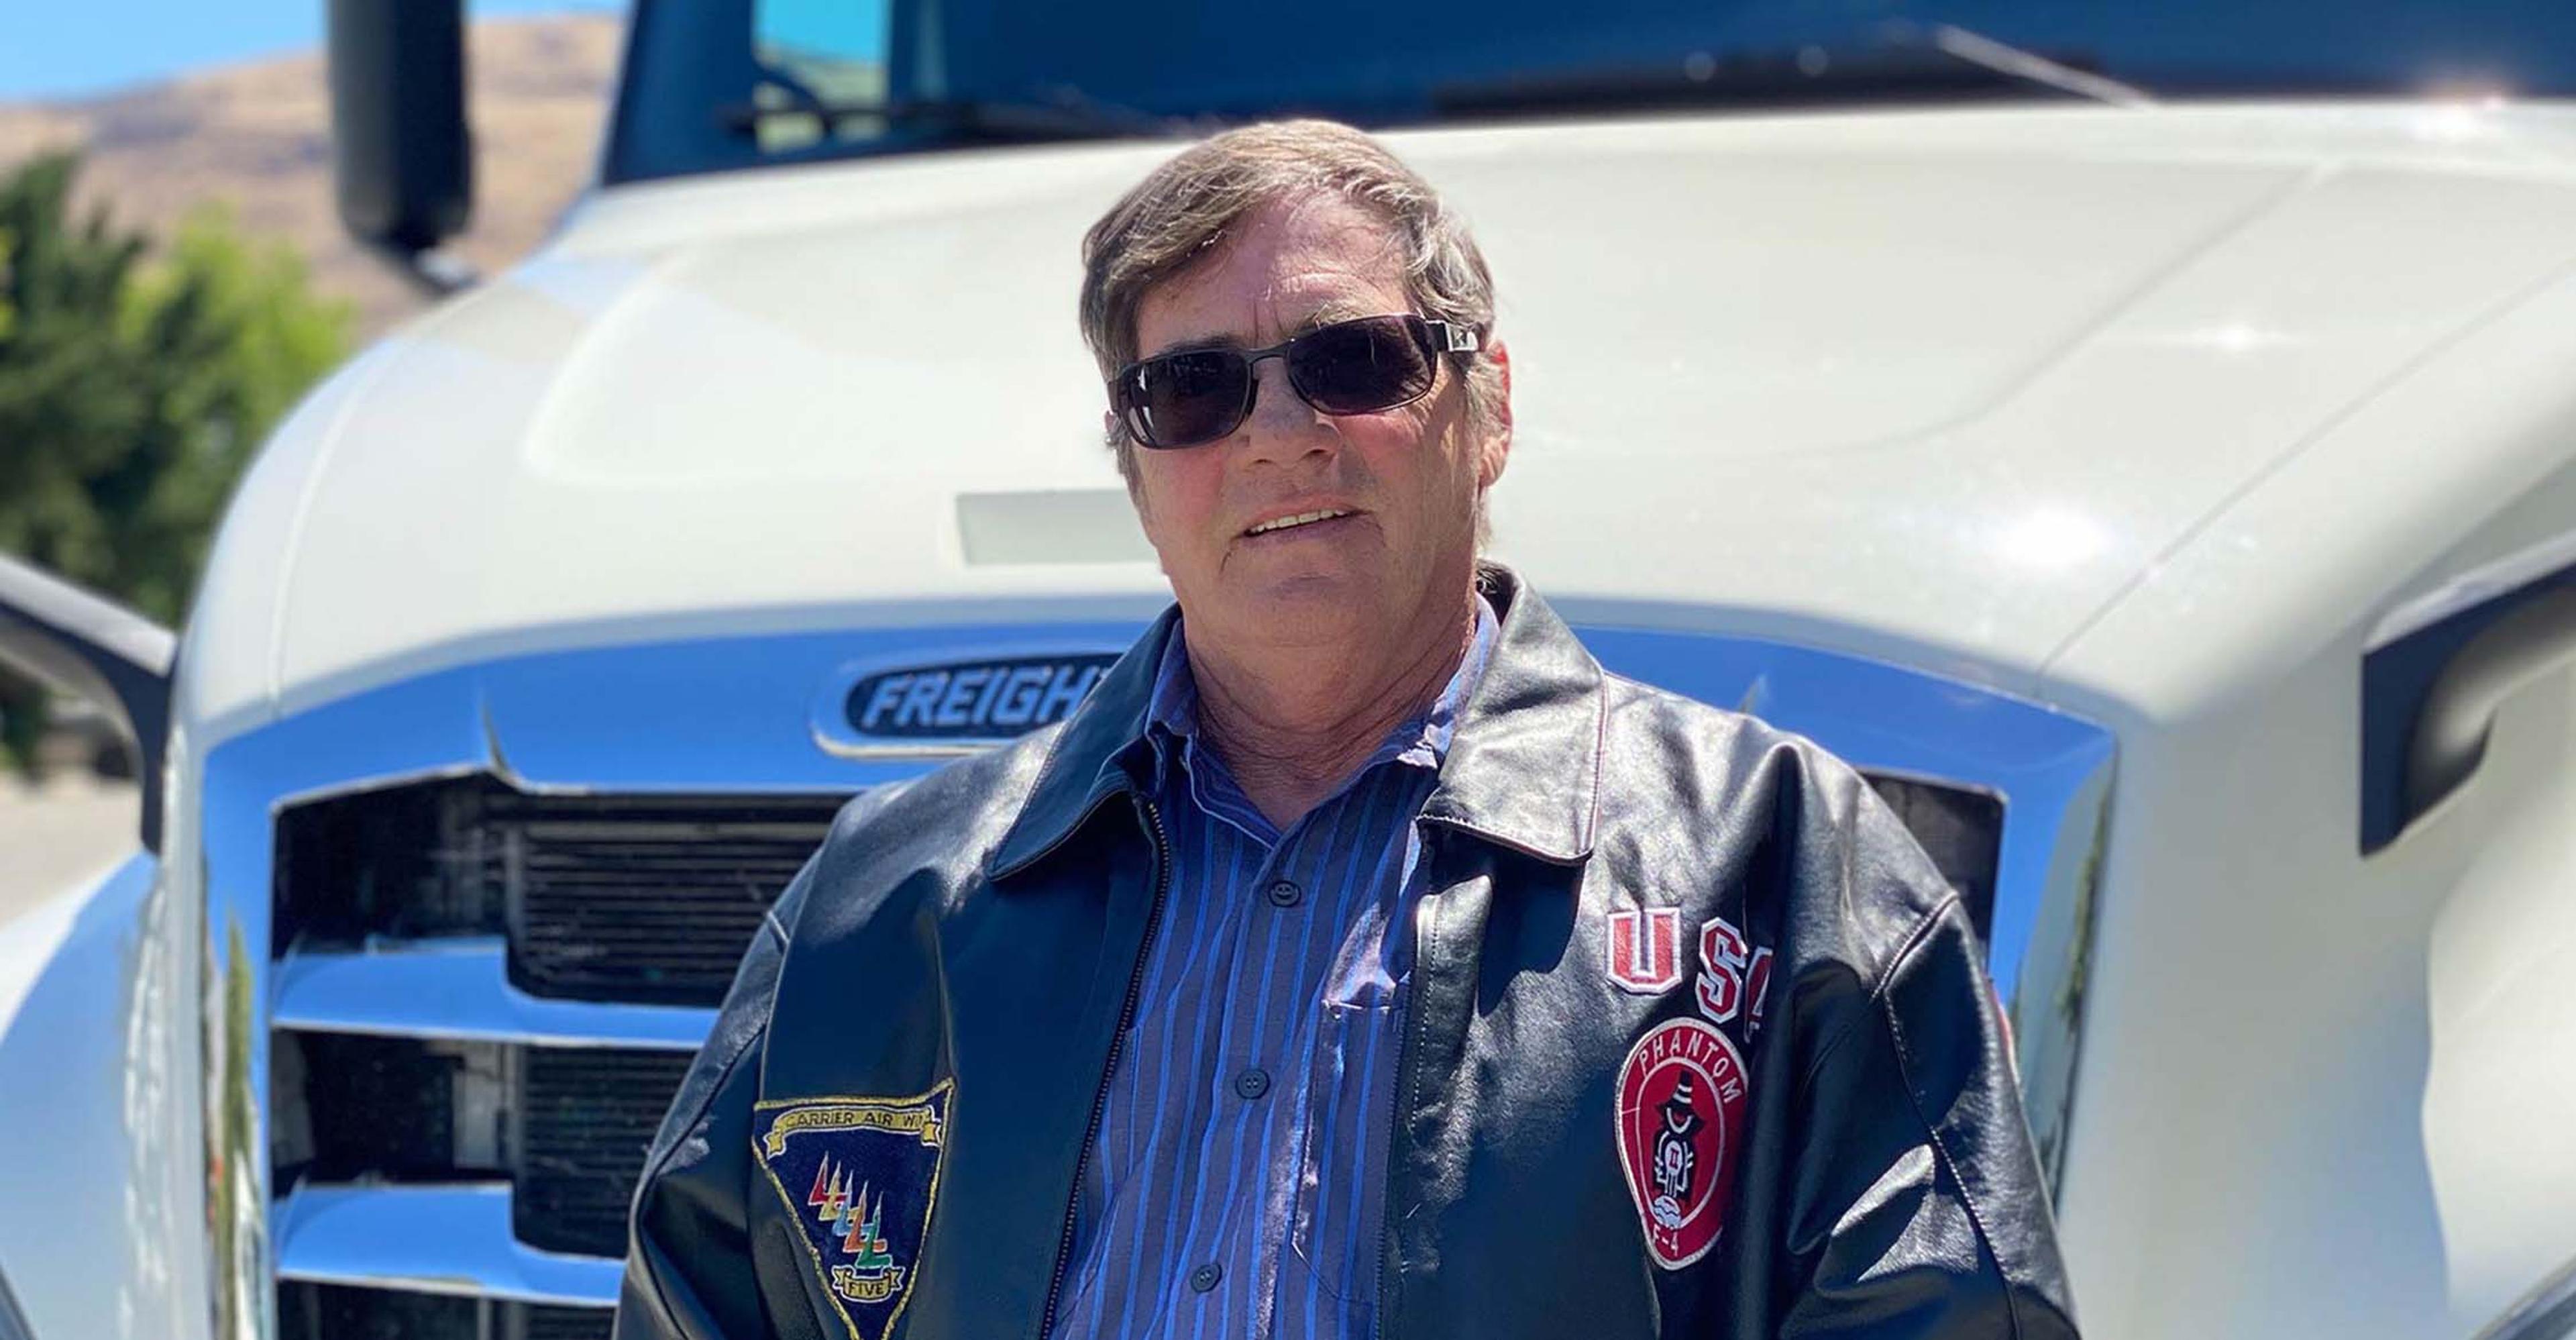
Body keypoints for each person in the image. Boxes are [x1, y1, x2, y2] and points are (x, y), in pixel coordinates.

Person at [616, 119, 2078, 1340]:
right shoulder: (889, 905)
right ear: (1133, 464)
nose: (1274, 433)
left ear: (1487, 406)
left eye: (1354, 361)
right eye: (1188, 389)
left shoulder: (1781, 864)